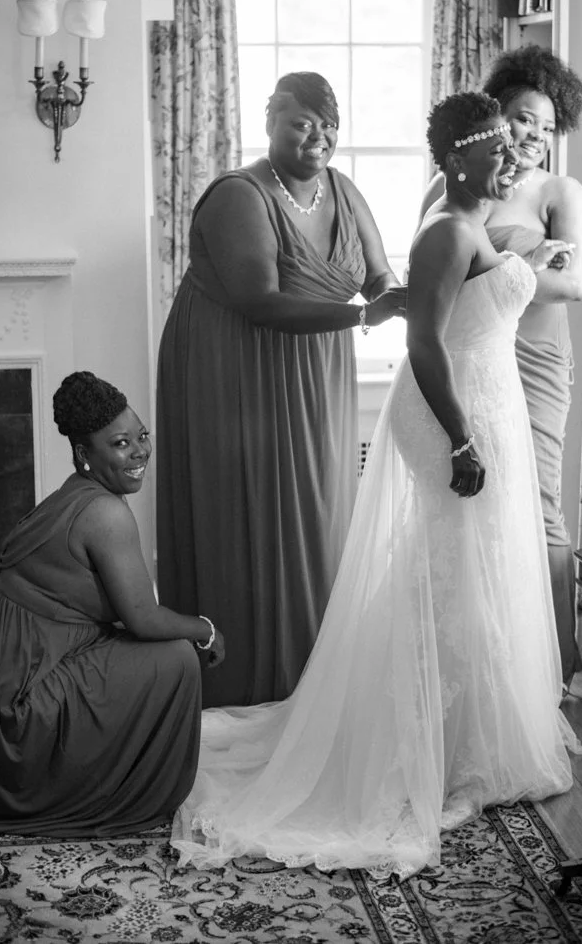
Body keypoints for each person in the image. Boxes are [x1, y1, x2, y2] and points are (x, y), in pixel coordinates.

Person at [169, 92, 580, 879]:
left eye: (512, 145)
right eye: (495, 147)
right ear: (456, 159)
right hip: (451, 412)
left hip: (486, 400)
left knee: (477, 573)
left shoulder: (467, 223)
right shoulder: (446, 230)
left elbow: (458, 300)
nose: (512, 157)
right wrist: (461, 437)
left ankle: (469, 736)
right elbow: (423, 340)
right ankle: (426, 746)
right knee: (448, 572)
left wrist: (528, 270)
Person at [156, 71, 406, 708]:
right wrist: (363, 316)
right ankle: (246, 680)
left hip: (318, 369)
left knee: (319, 513)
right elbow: (260, 302)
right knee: (250, 515)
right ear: (269, 120)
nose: (319, 136)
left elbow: (380, 277)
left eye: (330, 126)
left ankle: (313, 677)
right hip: (238, 367)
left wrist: (430, 293)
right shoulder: (240, 195)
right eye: (302, 122)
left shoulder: (343, 191)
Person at [0, 370, 225, 837]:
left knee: (146, 649)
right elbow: (143, 619)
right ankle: (124, 791)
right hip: (13, 705)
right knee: (177, 658)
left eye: (141, 436)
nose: (139, 451)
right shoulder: (105, 512)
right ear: (84, 454)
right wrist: (206, 629)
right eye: (120, 444)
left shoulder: (74, 493)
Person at [416, 46, 582, 689]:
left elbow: (574, 286)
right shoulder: (457, 183)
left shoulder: (559, 192)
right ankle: (483, 667)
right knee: (475, 507)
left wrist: (501, 276)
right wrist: (515, 270)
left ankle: (556, 667)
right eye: (523, 119)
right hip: (468, 355)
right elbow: (429, 276)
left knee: (538, 505)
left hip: (534, 360)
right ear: (497, 116)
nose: (536, 136)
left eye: (547, 126)